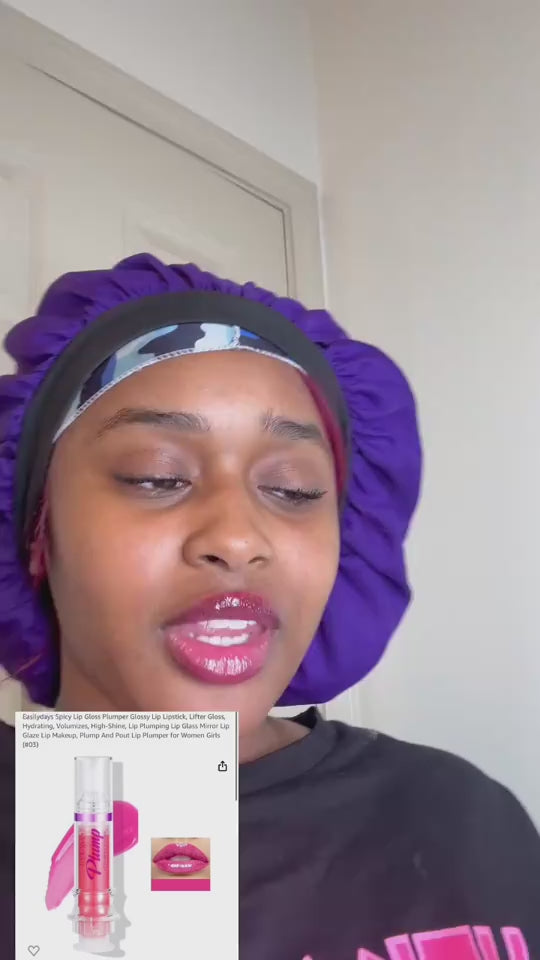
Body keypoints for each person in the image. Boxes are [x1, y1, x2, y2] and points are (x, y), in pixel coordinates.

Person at [0, 253, 538, 960]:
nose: (237, 537)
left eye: (292, 490)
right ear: (38, 530)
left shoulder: (465, 818)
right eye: (156, 475)